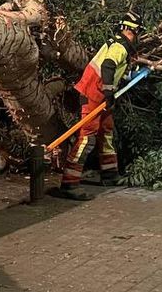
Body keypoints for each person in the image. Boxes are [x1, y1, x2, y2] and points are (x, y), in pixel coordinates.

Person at [60, 11, 142, 200]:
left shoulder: (120, 46)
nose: (137, 37)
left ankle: (109, 175)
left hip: (100, 95)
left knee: (106, 131)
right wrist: (108, 92)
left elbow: (117, 71)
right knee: (87, 138)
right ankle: (69, 184)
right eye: (136, 32)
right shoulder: (120, 46)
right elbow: (107, 66)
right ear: (131, 31)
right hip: (93, 95)